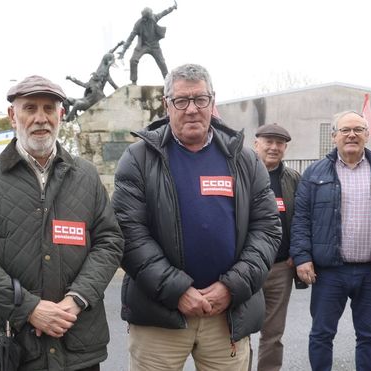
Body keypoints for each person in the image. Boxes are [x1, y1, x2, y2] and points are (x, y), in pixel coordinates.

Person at [112, 63, 282, 371]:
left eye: (200, 99)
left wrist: (231, 287)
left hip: (226, 315)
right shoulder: (138, 159)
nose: (192, 109)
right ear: (167, 105)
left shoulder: (243, 160)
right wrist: (177, 291)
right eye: (181, 100)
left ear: (212, 102)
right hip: (158, 317)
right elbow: (128, 233)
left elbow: (267, 229)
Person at [0, 75, 124, 370]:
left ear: (60, 114)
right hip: (16, 346)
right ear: (12, 115)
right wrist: (29, 308)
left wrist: (78, 298)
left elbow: (109, 241)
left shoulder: (85, 175)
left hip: (79, 339)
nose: (40, 118)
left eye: (49, 108)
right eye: (30, 108)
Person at [291, 110, 371, 371]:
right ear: (334, 136)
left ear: (367, 134)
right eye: (345, 130)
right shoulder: (315, 172)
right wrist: (302, 257)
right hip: (329, 272)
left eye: (358, 129)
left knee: (369, 337)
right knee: (321, 335)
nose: (352, 135)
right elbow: (301, 219)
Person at [253, 123, 301, 371]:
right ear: (256, 144)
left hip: (281, 268)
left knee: (273, 334)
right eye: (268, 141)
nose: (273, 147)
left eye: (279, 143)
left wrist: (299, 253)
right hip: (244, 268)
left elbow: (303, 219)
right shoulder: (239, 172)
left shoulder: (292, 178)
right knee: (236, 331)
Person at [118, 5, 177, 84]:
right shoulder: (138, 24)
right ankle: (134, 81)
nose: (150, 17)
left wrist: (172, 7)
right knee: (133, 60)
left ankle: (168, 82)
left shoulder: (153, 18)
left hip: (154, 46)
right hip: (143, 46)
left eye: (151, 16)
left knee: (162, 62)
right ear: (145, 17)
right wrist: (123, 51)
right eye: (148, 17)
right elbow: (130, 38)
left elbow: (163, 13)